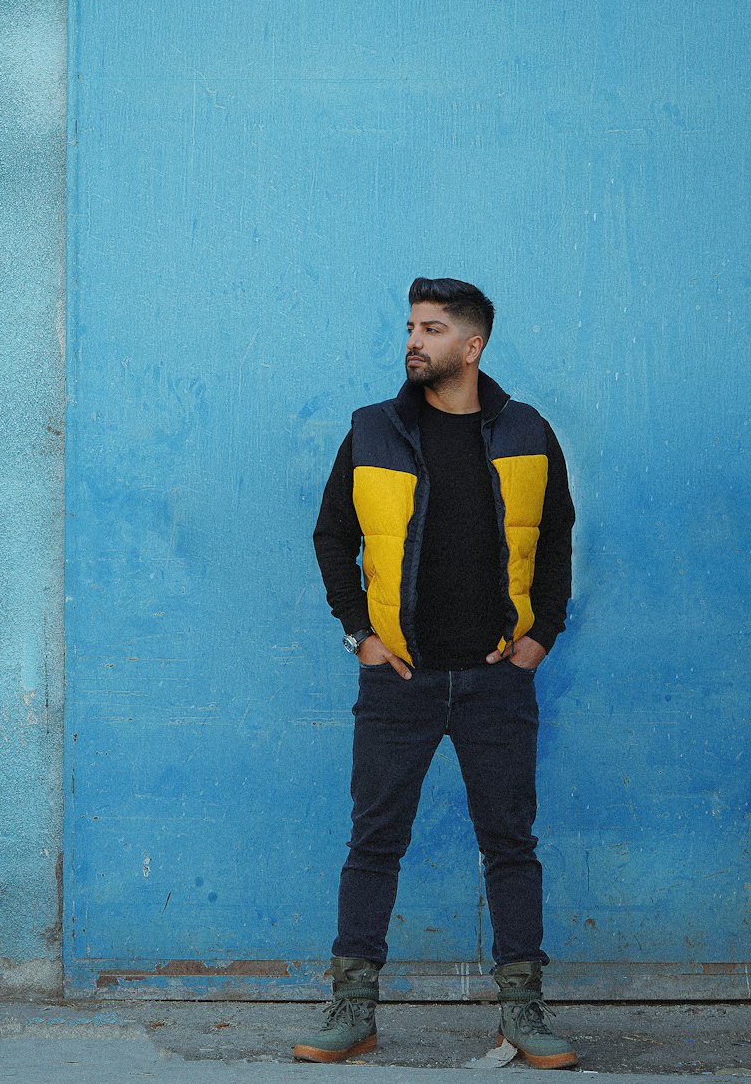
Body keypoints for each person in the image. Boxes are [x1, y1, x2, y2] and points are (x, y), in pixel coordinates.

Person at [294, 278, 577, 1069]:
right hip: (400, 682)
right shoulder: (372, 430)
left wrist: (540, 635)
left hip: (496, 681)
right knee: (374, 842)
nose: (414, 341)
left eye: (432, 328)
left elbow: (556, 536)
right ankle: (354, 1007)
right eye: (411, 327)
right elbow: (330, 536)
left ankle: (522, 1010)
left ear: (472, 346)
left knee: (511, 845)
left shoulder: (527, 430)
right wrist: (361, 635)